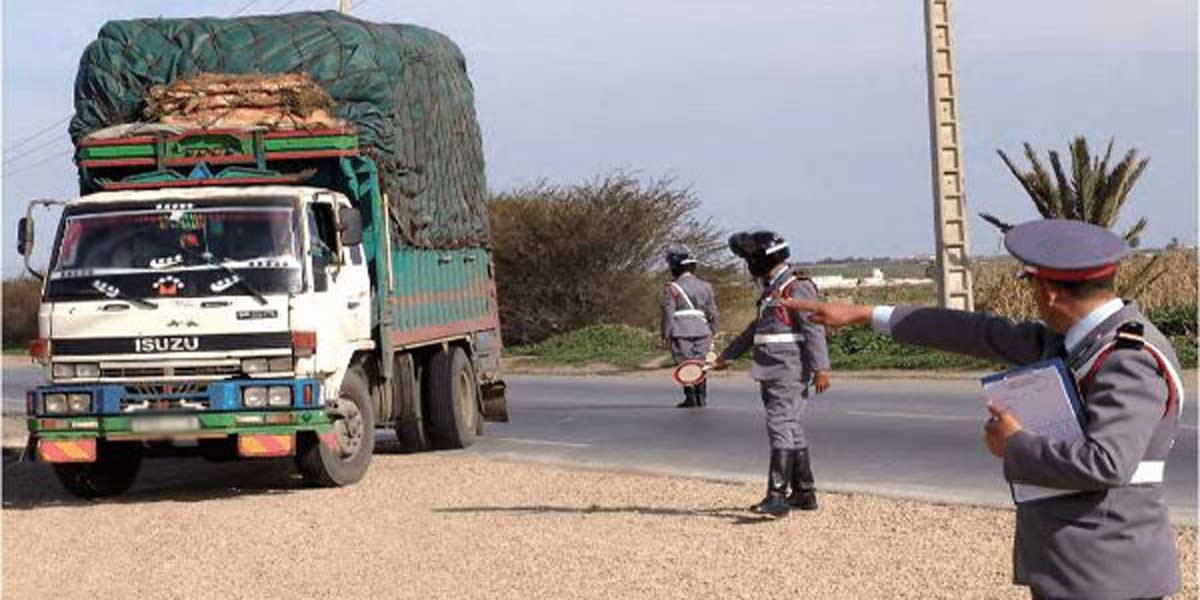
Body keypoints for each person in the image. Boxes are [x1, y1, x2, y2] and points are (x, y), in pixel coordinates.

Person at [783, 219, 1183, 599]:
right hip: (1079, 562)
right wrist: (865, 315)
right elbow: (977, 332)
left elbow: (1107, 462)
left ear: (1049, 293)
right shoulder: (1079, 340)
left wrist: (1015, 444)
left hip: (1107, 573)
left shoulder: (1125, 357)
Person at [712, 230, 832, 516]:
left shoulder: (795, 286)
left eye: (751, 258)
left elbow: (813, 328)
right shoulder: (772, 288)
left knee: (779, 424)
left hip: (787, 369)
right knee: (791, 426)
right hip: (772, 367)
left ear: (766, 258)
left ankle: (776, 495)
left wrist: (821, 368)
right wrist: (727, 356)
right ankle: (804, 492)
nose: (748, 264)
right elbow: (757, 330)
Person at [659, 244, 719, 408]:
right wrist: (714, 331)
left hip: (680, 331)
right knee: (700, 362)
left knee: (685, 363)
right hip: (702, 330)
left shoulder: (671, 288)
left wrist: (665, 334)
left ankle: (690, 397)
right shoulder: (706, 286)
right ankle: (702, 396)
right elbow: (713, 313)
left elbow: (668, 314)